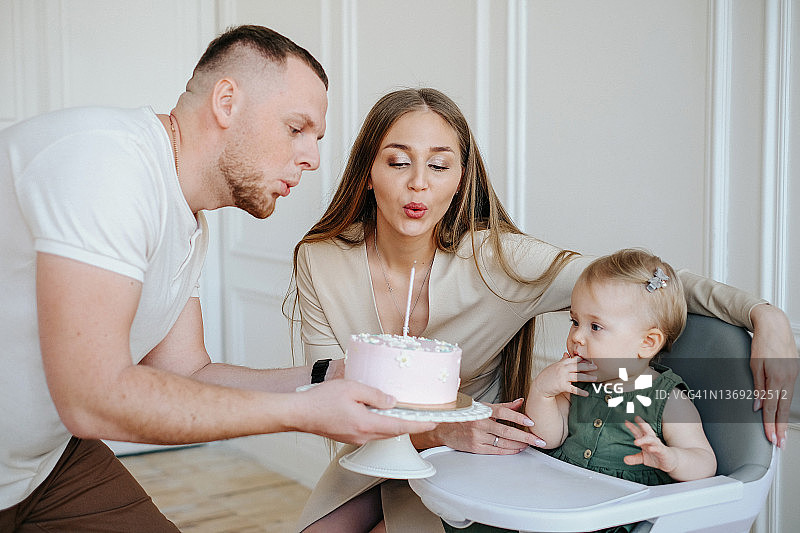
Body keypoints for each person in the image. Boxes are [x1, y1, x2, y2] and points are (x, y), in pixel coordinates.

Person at [289, 87, 797, 533]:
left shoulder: (503, 261)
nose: (418, 183)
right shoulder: (320, 260)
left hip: (474, 467)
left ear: (462, 179)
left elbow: (644, 285)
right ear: (368, 172)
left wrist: (763, 314)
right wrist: (439, 429)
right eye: (398, 161)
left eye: (439, 165)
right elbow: (328, 398)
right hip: (373, 452)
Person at [0, 25, 435, 531]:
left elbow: (186, 372)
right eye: (297, 128)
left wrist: (326, 378)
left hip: (44, 466)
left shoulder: (187, 221)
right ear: (226, 101)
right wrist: (306, 412)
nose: (312, 158)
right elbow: (93, 399)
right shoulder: (107, 165)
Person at [522, 249, 716, 533]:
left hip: (622, 517)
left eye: (595, 326)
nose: (577, 336)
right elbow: (548, 438)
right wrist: (542, 392)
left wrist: (671, 459)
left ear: (647, 343)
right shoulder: (575, 380)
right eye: (574, 321)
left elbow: (704, 462)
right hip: (562, 505)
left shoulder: (667, 398)